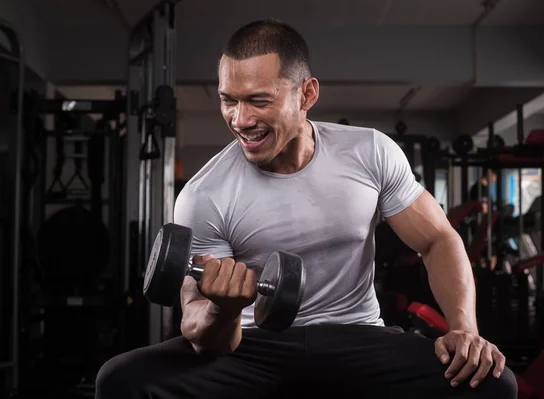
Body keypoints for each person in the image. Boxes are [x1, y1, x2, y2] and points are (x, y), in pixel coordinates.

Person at [95, 19, 517, 399]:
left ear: (307, 94)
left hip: (357, 336)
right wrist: (223, 308)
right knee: (121, 381)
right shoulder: (204, 194)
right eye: (228, 100)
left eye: (258, 100)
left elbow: (438, 239)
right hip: (253, 346)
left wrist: (464, 329)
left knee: (492, 383)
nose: (239, 119)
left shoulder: (369, 152)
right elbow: (202, 334)